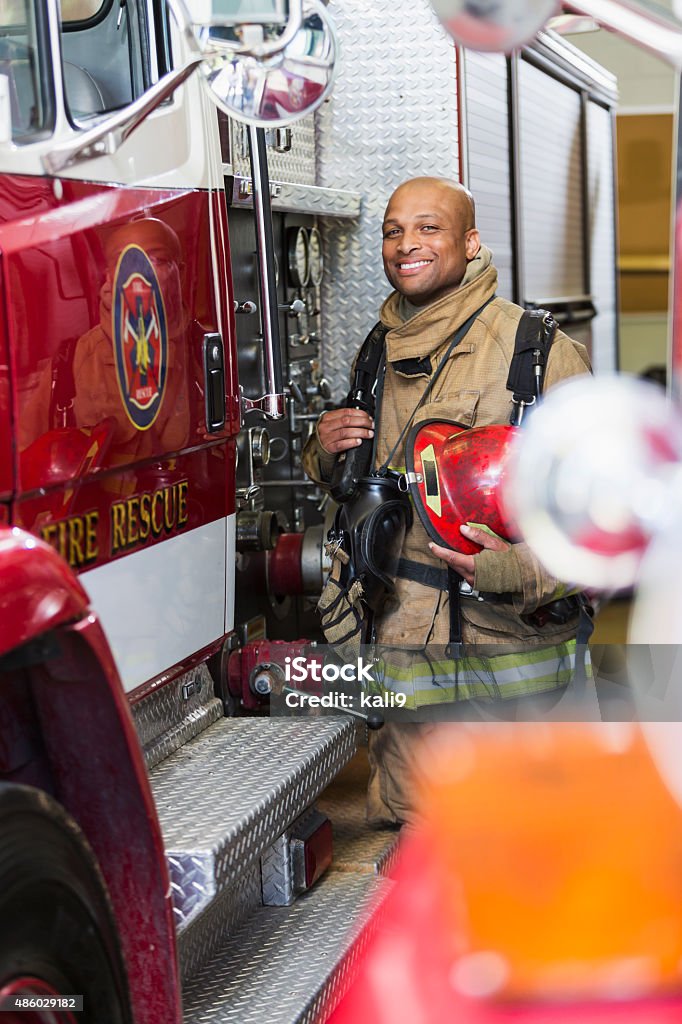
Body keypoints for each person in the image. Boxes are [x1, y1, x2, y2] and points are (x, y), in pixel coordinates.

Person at [302, 176, 592, 825]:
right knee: (417, 865)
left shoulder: (538, 354)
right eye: (393, 230)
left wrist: (512, 569)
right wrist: (325, 449)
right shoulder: (377, 350)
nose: (407, 244)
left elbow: (604, 525)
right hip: (407, 692)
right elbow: (360, 481)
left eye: (429, 228)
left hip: (512, 703)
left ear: (470, 241)